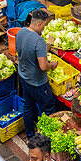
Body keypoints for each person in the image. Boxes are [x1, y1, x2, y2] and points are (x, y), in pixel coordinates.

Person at [16, 8, 59, 136]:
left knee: (28, 107)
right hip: (38, 82)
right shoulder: (39, 41)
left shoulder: (21, 32)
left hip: (24, 76)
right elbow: (43, 66)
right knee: (49, 109)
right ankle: (44, 138)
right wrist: (53, 65)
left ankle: (30, 136)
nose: (44, 29)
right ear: (40, 23)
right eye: (44, 25)